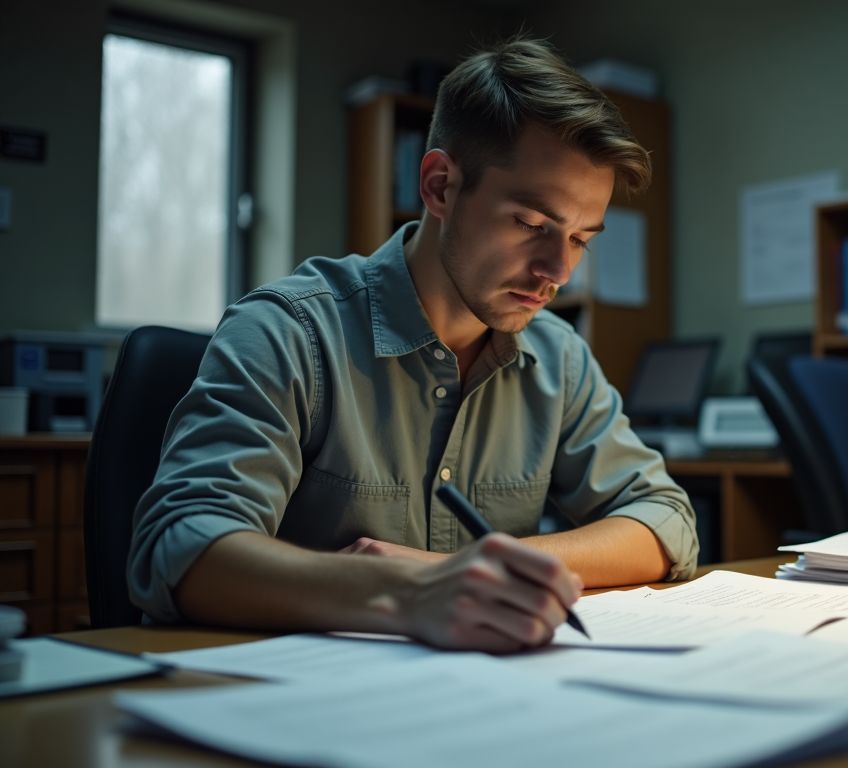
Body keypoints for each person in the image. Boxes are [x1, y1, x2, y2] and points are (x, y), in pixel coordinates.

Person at [127, 36, 698, 653]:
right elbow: (182, 549)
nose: (559, 270)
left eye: (582, 238)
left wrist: (488, 566)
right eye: (533, 225)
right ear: (440, 187)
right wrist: (402, 592)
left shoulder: (558, 358)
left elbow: (664, 518)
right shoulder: (288, 332)